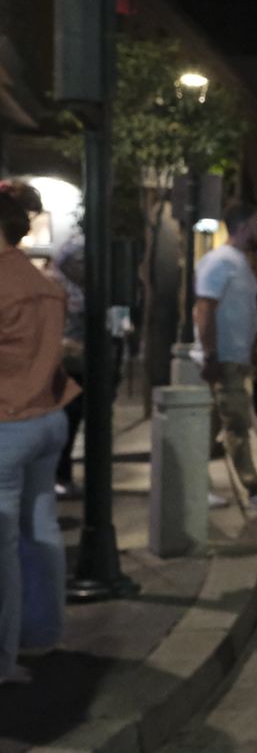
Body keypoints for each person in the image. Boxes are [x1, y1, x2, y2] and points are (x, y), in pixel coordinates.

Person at [0, 180, 77, 685]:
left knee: (2, 543)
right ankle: (43, 634)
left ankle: (2, 661)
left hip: (8, 421)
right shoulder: (47, 283)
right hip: (49, 416)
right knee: (40, 526)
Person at [192, 206, 257, 509]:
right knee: (237, 425)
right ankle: (255, 490)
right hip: (224, 359)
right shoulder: (220, 261)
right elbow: (204, 309)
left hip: (234, 358)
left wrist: (253, 354)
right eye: (256, 224)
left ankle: (194, 487)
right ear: (242, 226)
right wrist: (210, 355)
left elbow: (242, 314)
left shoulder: (238, 263)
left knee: (212, 426)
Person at [47, 235, 87, 498]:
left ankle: (62, 475)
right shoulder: (52, 283)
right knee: (64, 421)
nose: (83, 267)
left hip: (80, 362)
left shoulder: (82, 286)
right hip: (61, 364)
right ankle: (60, 476)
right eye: (80, 261)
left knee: (71, 422)